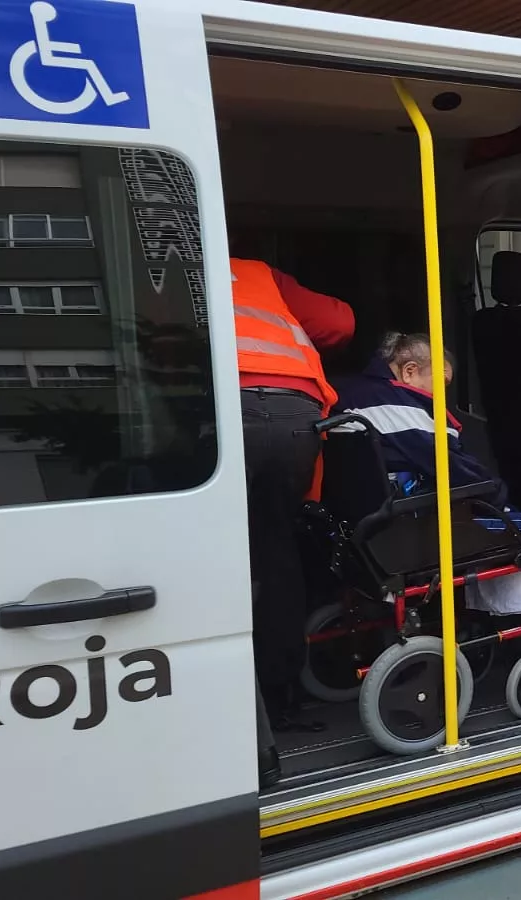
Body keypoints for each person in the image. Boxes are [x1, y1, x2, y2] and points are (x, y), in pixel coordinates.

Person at [233, 257, 354, 765]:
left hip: (222, 407)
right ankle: (280, 698)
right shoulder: (258, 271)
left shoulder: (153, 262)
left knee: (216, 554)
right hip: (294, 413)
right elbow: (340, 323)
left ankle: (234, 702)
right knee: (276, 550)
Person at [332, 332, 521, 546]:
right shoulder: (398, 405)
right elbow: (455, 469)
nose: (442, 395)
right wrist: (502, 502)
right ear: (409, 371)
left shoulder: (351, 392)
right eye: (441, 384)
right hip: (407, 532)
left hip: (368, 529)